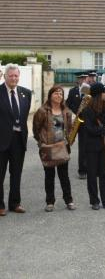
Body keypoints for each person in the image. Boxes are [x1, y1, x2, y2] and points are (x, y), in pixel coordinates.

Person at [32, 85, 76, 211]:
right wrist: (41, 143)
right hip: (48, 148)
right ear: (50, 95)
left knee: (64, 176)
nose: (59, 96)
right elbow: (36, 129)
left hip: (62, 147)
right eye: (56, 93)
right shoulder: (42, 111)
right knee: (49, 176)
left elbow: (69, 128)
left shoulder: (66, 111)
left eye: (61, 94)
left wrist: (69, 141)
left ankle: (69, 200)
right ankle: (50, 202)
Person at [0, 64, 32, 216]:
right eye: (11, 75)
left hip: (19, 140)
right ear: (5, 76)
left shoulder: (25, 93)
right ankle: (0, 205)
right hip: (1, 141)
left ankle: (15, 203)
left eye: (16, 76)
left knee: (16, 173)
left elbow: (24, 117)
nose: (13, 78)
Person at [81, 82, 105, 210]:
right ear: (98, 95)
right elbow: (90, 130)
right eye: (104, 92)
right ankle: (94, 201)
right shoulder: (87, 111)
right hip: (91, 147)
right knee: (91, 175)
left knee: (104, 174)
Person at [66, 72, 89, 180]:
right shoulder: (72, 91)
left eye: (84, 78)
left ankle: (83, 170)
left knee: (84, 146)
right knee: (69, 141)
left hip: (86, 122)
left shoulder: (88, 90)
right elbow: (67, 105)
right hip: (75, 121)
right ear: (78, 80)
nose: (83, 80)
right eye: (81, 78)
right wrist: (72, 114)